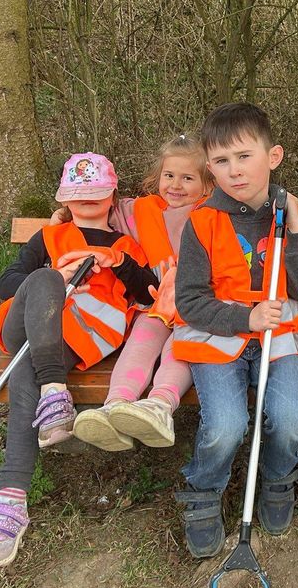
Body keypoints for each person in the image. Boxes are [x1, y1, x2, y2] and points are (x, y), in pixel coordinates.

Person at [0, 153, 157, 568]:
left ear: (112, 196)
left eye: (97, 192)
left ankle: (10, 500)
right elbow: (6, 284)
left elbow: (149, 293)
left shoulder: (123, 246)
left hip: (82, 334)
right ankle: (54, 390)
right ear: (64, 199)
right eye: (78, 193)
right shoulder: (49, 237)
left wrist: (119, 264)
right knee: (44, 278)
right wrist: (56, 276)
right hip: (26, 325)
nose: (87, 200)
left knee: (25, 373)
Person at [172, 103, 298, 558]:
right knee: (226, 425)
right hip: (218, 336)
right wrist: (245, 318)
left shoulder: (295, 215)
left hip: (280, 334)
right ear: (209, 166)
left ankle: (277, 479)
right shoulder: (202, 221)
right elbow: (189, 301)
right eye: (221, 161)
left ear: (273, 156)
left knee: (292, 418)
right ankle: (203, 490)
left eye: (244, 156)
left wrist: (296, 227)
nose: (234, 170)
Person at [72, 135, 211, 451]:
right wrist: (66, 215)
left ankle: (160, 405)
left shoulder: (213, 213)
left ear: (207, 184)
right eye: (169, 175)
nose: (175, 185)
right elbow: (102, 210)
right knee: (140, 342)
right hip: (154, 303)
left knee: (182, 348)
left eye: (188, 178)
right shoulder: (142, 210)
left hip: (197, 305)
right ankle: (115, 404)